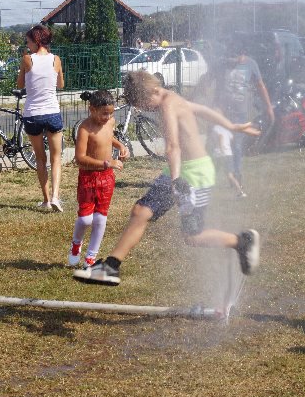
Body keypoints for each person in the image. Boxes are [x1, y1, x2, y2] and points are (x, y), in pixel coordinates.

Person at [74, 70, 261, 286]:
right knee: (141, 211)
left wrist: (176, 180)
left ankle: (241, 241)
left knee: (193, 236)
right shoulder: (171, 97)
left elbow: (173, 146)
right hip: (180, 172)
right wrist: (231, 126)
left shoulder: (167, 104)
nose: (145, 109)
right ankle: (110, 268)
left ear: (153, 91)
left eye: (144, 104)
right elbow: (202, 110)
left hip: (195, 175)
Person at [202, 42, 274, 195]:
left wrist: (268, 106)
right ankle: (207, 178)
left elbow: (260, 85)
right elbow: (207, 79)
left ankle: (236, 176)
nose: (237, 60)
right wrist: (204, 95)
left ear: (244, 54)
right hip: (220, 112)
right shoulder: (222, 63)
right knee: (213, 144)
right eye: (234, 57)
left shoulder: (251, 64)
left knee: (237, 146)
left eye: (239, 57)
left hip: (239, 113)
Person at [68, 90, 129, 269]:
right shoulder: (85, 129)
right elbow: (80, 159)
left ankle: (91, 257)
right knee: (85, 220)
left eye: (111, 113)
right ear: (92, 109)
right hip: (88, 177)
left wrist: (120, 145)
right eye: (104, 113)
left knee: (101, 218)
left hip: (107, 178)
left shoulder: (110, 122)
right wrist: (106, 163)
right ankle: (76, 244)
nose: (108, 117)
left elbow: (108, 137)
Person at [18, 24, 65, 212]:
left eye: (29, 42)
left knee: (40, 158)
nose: (28, 45)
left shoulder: (27, 59)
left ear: (36, 41)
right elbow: (60, 85)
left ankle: (46, 200)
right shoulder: (56, 59)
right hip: (52, 112)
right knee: (56, 157)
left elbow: (20, 84)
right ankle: (55, 197)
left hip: (33, 114)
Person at [208, 114, 246, 198]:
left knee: (214, 171)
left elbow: (221, 137)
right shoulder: (226, 129)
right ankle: (239, 191)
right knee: (228, 174)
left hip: (221, 154)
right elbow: (231, 138)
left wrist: (222, 150)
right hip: (228, 154)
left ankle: (240, 192)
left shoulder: (215, 128)